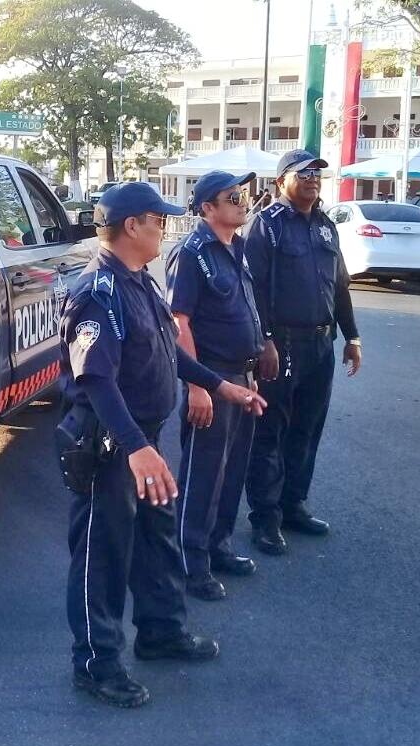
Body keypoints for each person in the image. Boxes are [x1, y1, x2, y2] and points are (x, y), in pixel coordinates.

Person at [57, 182, 267, 708]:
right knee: (101, 556)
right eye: (157, 219)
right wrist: (135, 447)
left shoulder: (141, 284)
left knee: (157, 543)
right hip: (112, 445)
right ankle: (96, 663)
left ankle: (160, 632)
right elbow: (95, 380)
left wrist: (220, 385)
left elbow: (170, 353)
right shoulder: (97, 292)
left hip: (141, 441)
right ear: (132, 226)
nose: (165, 228)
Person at [244, 150, 362, 556]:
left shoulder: (326, 227)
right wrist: (266, 340)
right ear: (281, 182)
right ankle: (265, 518)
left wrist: (352, 337)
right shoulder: (267, 226)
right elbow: (253, 289)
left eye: (318, 173)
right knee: (271, 432)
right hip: (282, 345)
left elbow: (340, 285)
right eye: (304, 173)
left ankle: (293, 504)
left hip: (320, 343)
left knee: (308, 429)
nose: (313, 179)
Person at [165, 170, 265, 601]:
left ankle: (219, 546)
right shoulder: (192, 253)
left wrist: (255, 361)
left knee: (232, 471)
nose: (242, 202)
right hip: (213, 378)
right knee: (203, 475)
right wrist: (197, 386)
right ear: (207, 208)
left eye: (242, 195)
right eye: (232, 197)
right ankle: (192, 562)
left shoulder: (237, 248)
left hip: (242, 376)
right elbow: (179, 323)